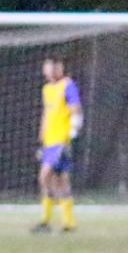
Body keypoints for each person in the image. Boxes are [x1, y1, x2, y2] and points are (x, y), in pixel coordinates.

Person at [33, 57, 83, 234]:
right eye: (45, 68)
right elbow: (47, 114)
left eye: (50, 67)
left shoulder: (68, 85)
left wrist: (72, 132)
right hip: (49, 141)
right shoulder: (47, 89)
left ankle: (46, 220)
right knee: (59, 181)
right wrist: (41, 137)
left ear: (59, 68)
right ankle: (68, 223)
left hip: (61, 141)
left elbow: (75, 109)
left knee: (44, 177)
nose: (47, 71)